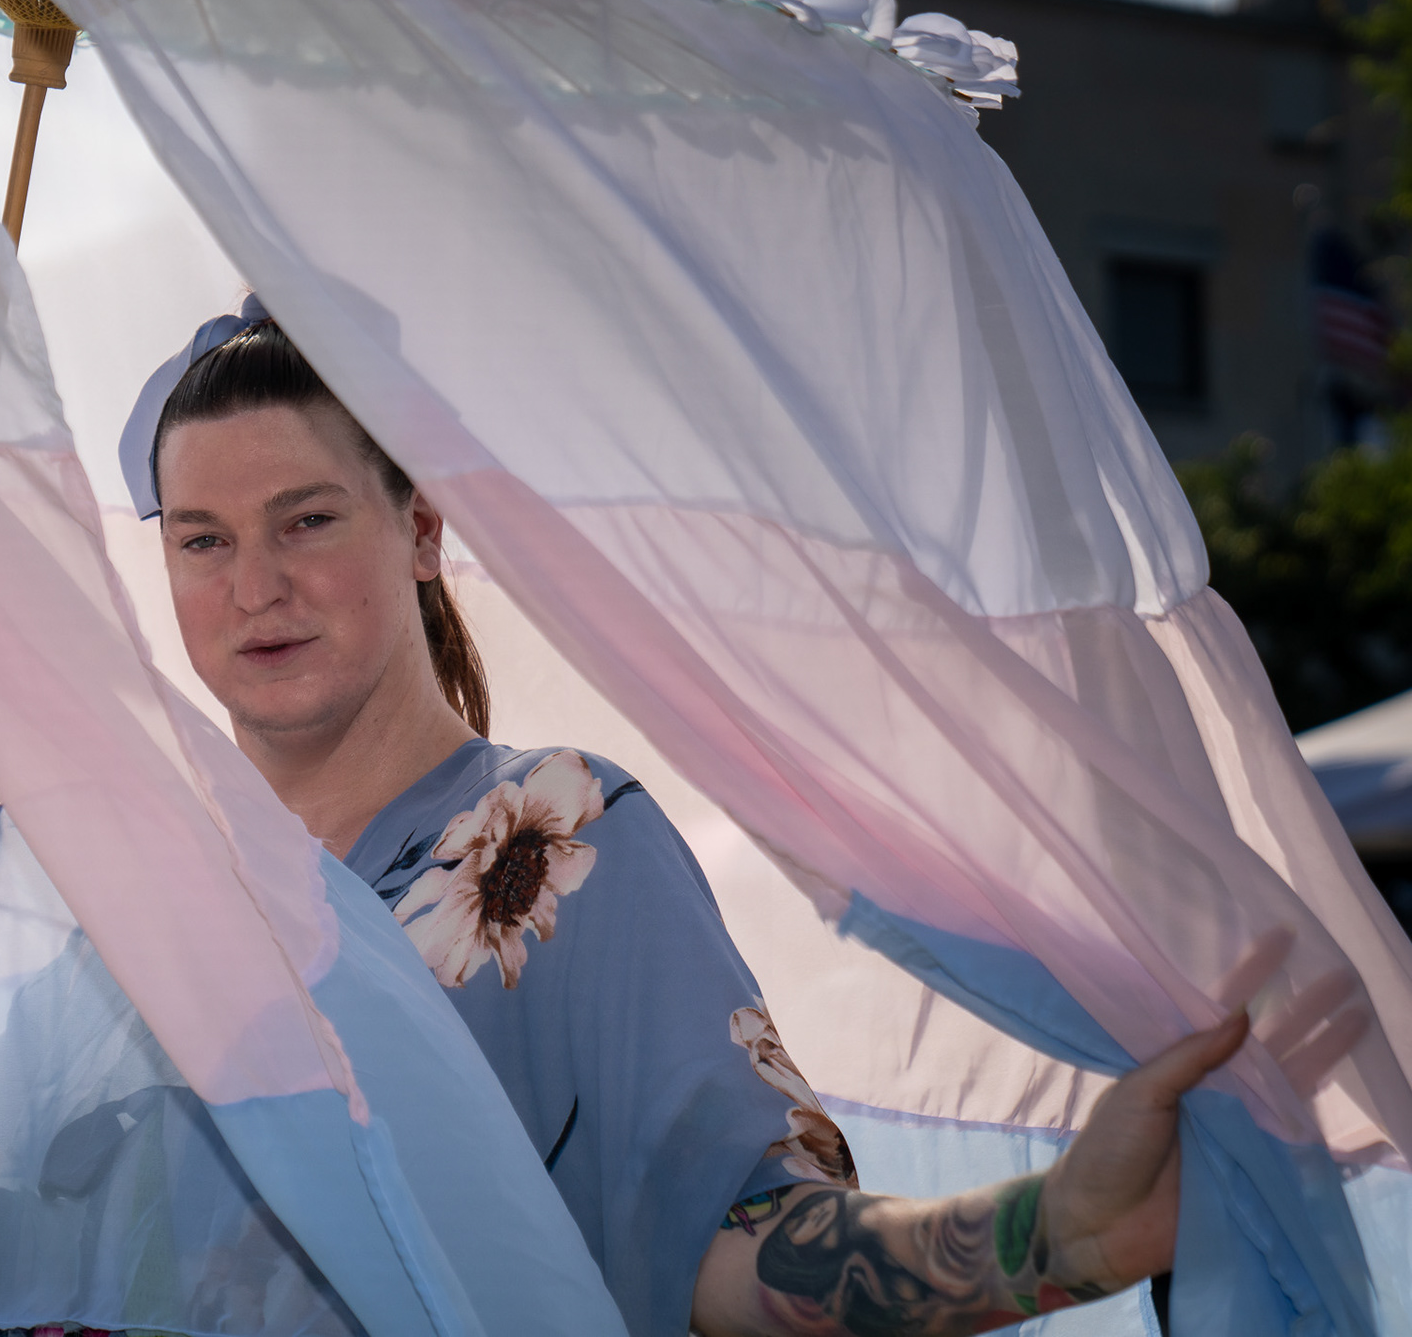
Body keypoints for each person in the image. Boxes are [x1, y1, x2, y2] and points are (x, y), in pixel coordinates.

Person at [120, 308, 1300, 1337]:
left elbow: (735, 1239)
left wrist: (1048, 1238)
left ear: (422, 531)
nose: (255, 587)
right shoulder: (135, 897)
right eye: (203, 539)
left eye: (308, 521)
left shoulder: (555, 838)